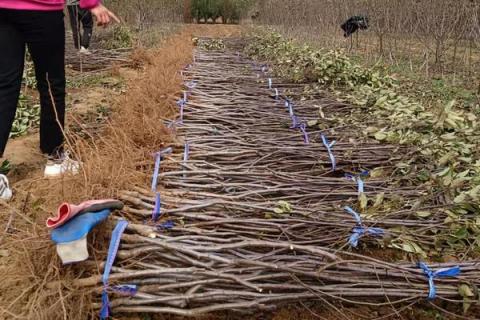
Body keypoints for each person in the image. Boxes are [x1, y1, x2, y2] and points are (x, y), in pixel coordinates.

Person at [0, 0, 119, 200]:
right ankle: (55, 158)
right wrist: (91, 4)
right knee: (50, 85)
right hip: (42, 11)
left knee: (4, 86)